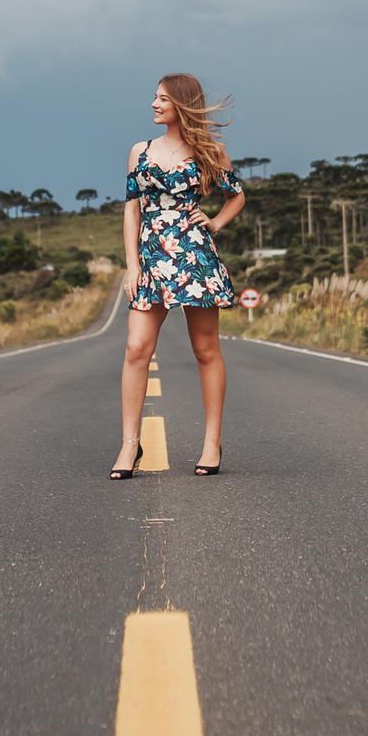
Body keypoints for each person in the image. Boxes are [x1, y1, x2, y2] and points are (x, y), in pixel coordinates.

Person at [110, 73, 246, 480]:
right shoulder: (141, 150)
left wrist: (216, 223)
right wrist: (132, 264)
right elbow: (132, 208)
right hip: (151, 256)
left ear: (181, 104)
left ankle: (211, 442)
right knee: (136, 348)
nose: (153, 104)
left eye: (162, 98)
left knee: (205, 350)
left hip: (194, 256)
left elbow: (236, 195)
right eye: (154, 97)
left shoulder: (210, 150)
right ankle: (130, 445)